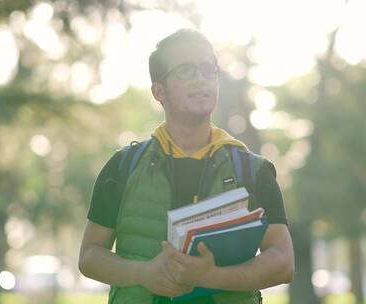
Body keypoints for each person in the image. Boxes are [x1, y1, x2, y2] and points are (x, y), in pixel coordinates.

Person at [79, 29, 294, 304]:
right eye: (186, 70)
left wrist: (208, 276)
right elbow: (89, 256)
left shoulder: (254, 171)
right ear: (159, 91)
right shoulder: (123, 166)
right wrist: (143, 273)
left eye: (208, 70)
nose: (201, 79)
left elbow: (283, 262)